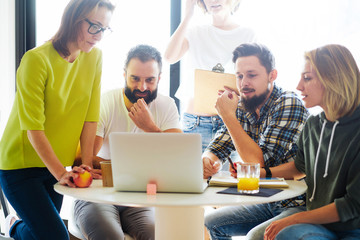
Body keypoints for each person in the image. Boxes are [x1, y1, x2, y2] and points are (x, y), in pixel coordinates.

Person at [0, 0, 115, 239]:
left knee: (45, 235)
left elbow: (90, 118)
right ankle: (13, 226)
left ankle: (13, 226)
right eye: (94, 26)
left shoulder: (93, 58)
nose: (99, 36)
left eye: (104, 29)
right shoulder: (36, 60)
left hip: (55, 165)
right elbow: (34, 128)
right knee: (56, 236)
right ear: (74, 19)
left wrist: (85, 163)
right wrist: (60, 173)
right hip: (19, 167)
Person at [74, 45, 182, 240]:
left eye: (150, 80)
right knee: (110, 236)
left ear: (159, 78)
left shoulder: (166, 105)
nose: (142, 87)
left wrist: (150, 128)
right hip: (99, 195)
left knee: (157, 235)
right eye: (135, 79)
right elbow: (83, 157)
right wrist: (126, 169)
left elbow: (180, 158)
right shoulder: (105, 102)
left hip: (140, 197)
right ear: (124, 76)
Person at [203, 43, 309, 239]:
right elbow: (218, 146)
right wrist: (207, 160)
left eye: (252, 75)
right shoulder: (241, 105)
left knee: (255, 236)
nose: (244, 83)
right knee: (211, 223)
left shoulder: (288, 103)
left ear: (272, 75)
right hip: (266, 201)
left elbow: (261, 164)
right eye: (239, 76)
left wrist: (228, 116)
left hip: (296, 203)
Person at [254, 44, 360, 240]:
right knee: (257, 237)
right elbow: (300, 167)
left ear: (334, 80)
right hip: (317, 218)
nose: (298, 86)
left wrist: (296, 219)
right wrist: (264, 173)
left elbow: (353, 204)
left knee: (287, 234)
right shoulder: (313, 125)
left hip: (351, 227)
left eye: (307, 78)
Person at [164, 0, 256, 151]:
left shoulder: (248, 35)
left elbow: (255, 81)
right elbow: (169, 57)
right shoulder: (195, 32)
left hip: (231, 123)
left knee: (230, 175)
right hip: (195, 122)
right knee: (191, 174)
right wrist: (188, 15)